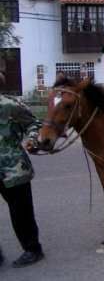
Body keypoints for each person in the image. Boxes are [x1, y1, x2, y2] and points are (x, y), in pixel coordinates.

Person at [0, 72, 44, 268]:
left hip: (13, 169)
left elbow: (34, 123)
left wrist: (33, 139)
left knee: (21, 212)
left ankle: (32, 249)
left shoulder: (11, 106)